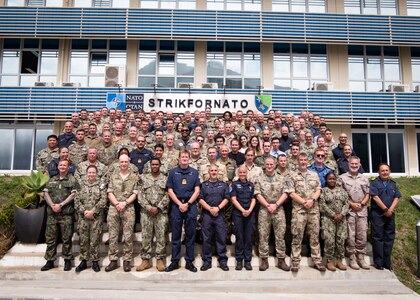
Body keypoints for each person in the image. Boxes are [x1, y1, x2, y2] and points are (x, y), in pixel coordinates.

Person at [165, 150, 201, 273]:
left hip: (190, 206)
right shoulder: (173, 172)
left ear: (189, 158)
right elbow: (170, 190)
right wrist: (180, 204)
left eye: (186, 156)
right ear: (179, 158)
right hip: (176, 206)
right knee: (176, 235)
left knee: (190, 236)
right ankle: (175, 261)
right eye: (182, 157)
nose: (184, 158)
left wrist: (188, 204)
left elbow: (197, 191)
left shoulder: (194, 172)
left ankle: (189, 261)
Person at [289, 153, 325, 272]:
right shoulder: (292, 175)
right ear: (297, 161)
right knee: (297, 235)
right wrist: (304, 202)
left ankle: (317, 260)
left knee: (314, 236)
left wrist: (312, 200)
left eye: (305, 160)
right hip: (299, 210)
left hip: (313, 210)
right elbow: (291, 192)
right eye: (301, 160)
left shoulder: (314, 175)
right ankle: (295, 260)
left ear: (307, 161)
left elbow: (319, 189)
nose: (303, 162)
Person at [255, 156, 291, 272]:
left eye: (271, 164)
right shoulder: (259, 178)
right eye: (267, 164)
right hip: (264, 210)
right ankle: (264, 260)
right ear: (264, 165)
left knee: (280, 235)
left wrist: (275, 205)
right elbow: (257, 194)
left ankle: (281, 259)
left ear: (275, 165)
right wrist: (267, 205)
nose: (269, 166)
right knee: (263, 236)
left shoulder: (282, 178)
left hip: (278, 209)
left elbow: (286, 193)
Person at [41, 159, 77, 272]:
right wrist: (52, 205)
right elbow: (45, 193)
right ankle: (50, 261)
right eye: (60, 165)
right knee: (51, 238)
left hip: (66, 214)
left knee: (66, 238)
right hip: (52, 214)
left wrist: (60, 205)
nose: (62, 167)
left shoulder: (72, 180)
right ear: (58, 167)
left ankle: (67, 260)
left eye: (64, 165)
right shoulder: (52, 179)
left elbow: (74, 194)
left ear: (68, 167)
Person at [105, 154, 138, 272]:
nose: (124, 164)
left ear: (129, 162)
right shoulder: (113, 176)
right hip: (114, 208)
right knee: (113, 236)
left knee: (128, 236)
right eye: (121, 162)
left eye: (125, 162)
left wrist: (124, 203)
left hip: (128, 208)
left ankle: (127, 261)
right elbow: (109, 191)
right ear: (118, 163)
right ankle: (113, 260)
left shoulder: (134, 177)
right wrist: (117, 204)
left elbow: (135, 193)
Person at [136, 157, 170, 272]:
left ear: (160, 165)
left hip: (161, 212)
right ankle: (146, 260)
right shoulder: (143, 178)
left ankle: (160, 259)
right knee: (146, 236)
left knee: (161, 236)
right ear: (150, 165)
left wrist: (159, 207)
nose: (155, 166)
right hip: (146, 213)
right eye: (153, 164)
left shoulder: (165, 179)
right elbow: (140, 195)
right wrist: (149, 207)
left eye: (157, 164)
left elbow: (168, 194)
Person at [338, 156, 370, 270]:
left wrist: (361, 204)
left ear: (359, 165)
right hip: (350, 211)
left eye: (356, 164)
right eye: (352, 164)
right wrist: (351, 204)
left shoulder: (364, 178)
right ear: (348, 164)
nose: (354, 165)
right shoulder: (342, 178)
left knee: (362, 234)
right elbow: (341, 194)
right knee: (350, 235)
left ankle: (361, 257)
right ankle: (352, 257)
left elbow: (367, 194)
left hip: (362, 210)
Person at [74, 165, 107, 273]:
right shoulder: (80, 185)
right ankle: (83, 260)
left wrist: (93, 211)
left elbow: (103, 200)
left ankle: (95, 261)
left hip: (96, 217)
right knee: (83, 240)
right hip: (83, 217)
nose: (91, 174)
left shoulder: (101, 185)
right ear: (86, 173)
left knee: (95, 240)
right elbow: (76, 201)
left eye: (93, 172)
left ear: (96, 174)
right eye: (89, 172)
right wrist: (84, 211)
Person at [370, 163, 401, 270]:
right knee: (378, 237)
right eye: (382, 171)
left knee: (389, 238)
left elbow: (397, 197)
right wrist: (385, 209)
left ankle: (387, 262)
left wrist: (390, 210)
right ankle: (379, 263)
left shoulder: (393, 184)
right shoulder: (373, 183)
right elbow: (375, 197)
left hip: (390, 214)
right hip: (378, 214)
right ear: (379, 172)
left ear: (389, 171)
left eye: (386, 170)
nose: (385, 172)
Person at [198, 164, 230, 271]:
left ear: (218, 172)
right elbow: (200, 199)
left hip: (219, 214)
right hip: (207, 214)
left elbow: (227, 198)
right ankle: (207, 262)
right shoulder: (203, 185)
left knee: (221, 238)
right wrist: (210, 209)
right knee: (206, 239)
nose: (213, 172)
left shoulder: (224, 185)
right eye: (211, 170)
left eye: (215, 170)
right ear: (208, 172)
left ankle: (222, 261)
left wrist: (218, 208)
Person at [319, 173, 350, 272]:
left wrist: (341, 214)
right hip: (328, 219)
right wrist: (333, 214)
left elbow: (347, 204)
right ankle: (329, 261)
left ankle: (339, 260)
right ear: (326, 180)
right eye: (329, 179)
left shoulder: (342, 191)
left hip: (341, 219)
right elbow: (322, 205)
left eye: (333, 179)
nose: (332, 180)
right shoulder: (323, 191)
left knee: (340, 239)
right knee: (329, 240)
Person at [230, 166, 256, 271]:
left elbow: (253, 199)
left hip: (249, 214)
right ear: (237, 173)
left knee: (249, 238)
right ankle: (239, 261)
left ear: (247, 173)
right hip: (238, 214)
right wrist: (242, 210)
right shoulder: (234, 185)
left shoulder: (251, 185)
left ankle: (248, 261)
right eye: (240, 172)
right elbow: (233, 199)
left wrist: (249, 210)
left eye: (244, 172)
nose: (242, 174)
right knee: (239, 237)